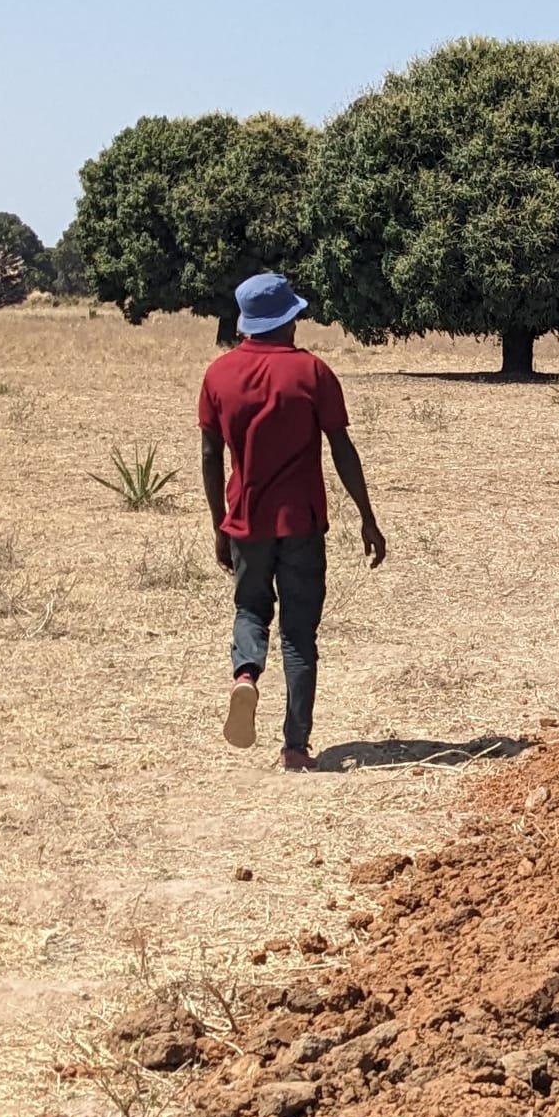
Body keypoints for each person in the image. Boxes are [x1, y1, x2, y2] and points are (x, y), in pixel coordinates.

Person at [199, 271, 387, 769]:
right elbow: (342, 448)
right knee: (299, 635)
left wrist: (220, 523)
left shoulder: (218, 376)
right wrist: (367, 517)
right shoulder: (312, 373)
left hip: (246, 522)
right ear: (287, 321)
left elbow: (210, 455)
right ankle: (295, 747)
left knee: (250, 609)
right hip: (301, 523)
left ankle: (245, 675)